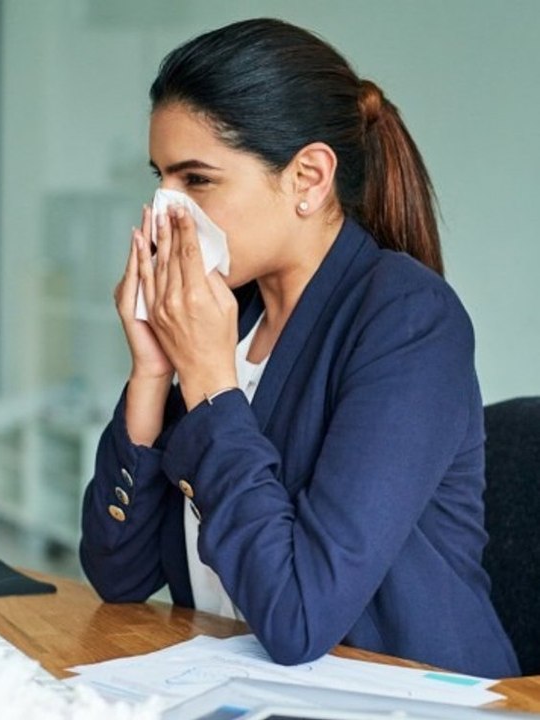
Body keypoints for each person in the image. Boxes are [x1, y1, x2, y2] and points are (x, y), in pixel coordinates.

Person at [79, 18, 519, 678]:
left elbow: (297, 618)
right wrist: (152, 371)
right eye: (160, 179)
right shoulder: (235, 315)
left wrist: (207, 376)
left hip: (407, 696)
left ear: (309, 178)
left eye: (196, 180)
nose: (165, 209)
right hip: (252, 687)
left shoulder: (408, 321)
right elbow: (119, 574)